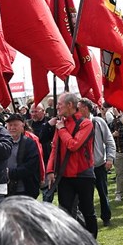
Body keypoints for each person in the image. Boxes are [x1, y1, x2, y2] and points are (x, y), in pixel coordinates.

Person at [46, 93, 98, 235]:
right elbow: (55, 149)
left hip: (83, 174)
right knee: (65, 213)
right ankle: (70, 243)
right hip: (65, 176)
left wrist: (61, 129)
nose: (57, 107)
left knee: (88, 211)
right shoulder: (61, 123)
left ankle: (92, 242)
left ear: (70, 105)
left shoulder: (85, 123)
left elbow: (73, 145)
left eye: (60, 104)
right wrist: (50, 170)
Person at [80, 99, 115, 226]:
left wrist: (110, 158)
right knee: (84, 196)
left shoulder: (98, 122)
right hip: (83, 167)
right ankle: (87, 219)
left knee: (103, 193)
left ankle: (106, 217)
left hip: (98, 164)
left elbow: (109, 141)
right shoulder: (76, 124)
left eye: (79, 107)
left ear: (85, 108)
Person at [4, 114, 43, 199]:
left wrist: (9, 173)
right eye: (10, 125)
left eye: (15, 125)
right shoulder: (3, 143)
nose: (12, 128)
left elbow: (31, 166)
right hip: (5, 190)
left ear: (22, 126)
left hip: (25, 189)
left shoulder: (29, 143)